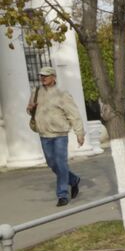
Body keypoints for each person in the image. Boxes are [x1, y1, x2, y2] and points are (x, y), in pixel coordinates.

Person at [27, 65, 84, 206]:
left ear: (54, 77)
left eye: (46, 76)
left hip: (60, 134)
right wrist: (30, 108)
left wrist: (79, 133)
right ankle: (73, 180)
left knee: (60, 163)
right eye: (41, 76)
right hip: (44, 134)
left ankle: (62, 194)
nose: (43, 78)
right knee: (52, 164)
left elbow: (74, 114)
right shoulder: (36, 91)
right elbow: (29, 110)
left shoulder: (62, 94)